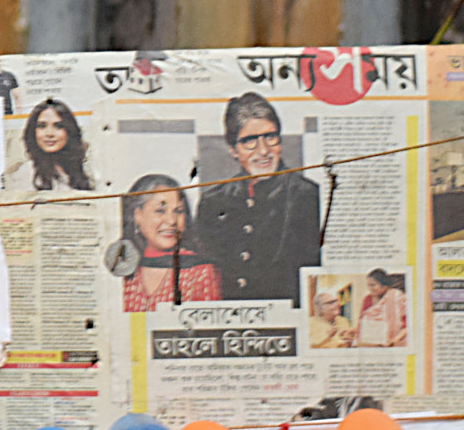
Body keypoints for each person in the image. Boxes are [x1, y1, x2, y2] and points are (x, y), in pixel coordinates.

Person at [196, 93, 322, 304]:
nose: (264, 151)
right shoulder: (213, 201)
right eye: (249, 142)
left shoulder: (307, 194)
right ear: (233, 150)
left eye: (270, 137)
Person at [121, 175, 221, 311]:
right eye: (160, 211)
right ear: (137, 215)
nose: (171, 221)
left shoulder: (200, 272)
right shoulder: (122, 268)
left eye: (178, 211)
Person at [14, 99, 94, 193]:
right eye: (42, 126)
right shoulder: (26, 173)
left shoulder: (86, 169)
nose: (50, 134)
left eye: (58, 126)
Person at [358, 270, 410, 348]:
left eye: (373, 285)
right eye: (368, 285)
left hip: (395, 343)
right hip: (370, 345)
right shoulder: (367, 299)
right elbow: (363, 323)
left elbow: (407, 326)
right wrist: (352, 331)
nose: (370, 289)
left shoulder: (398, 297)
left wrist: (394, 340)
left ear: (384, 286)